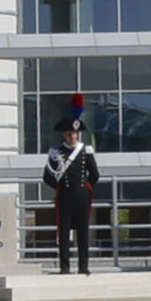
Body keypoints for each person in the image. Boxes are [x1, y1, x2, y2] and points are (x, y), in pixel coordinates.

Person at [44, 113, 101, 275]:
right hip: (65, 194)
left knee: (83, 230)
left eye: (75, 133)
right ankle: (65, 267)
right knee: (63, 230)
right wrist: (61, 187)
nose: (72, 136)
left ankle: (83, 266)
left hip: (81, 194)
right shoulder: (56, 152)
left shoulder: (85, 150)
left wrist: (83, 187)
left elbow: (95, 174)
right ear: (64, 135)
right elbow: (47, 177)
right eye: (69, 134)